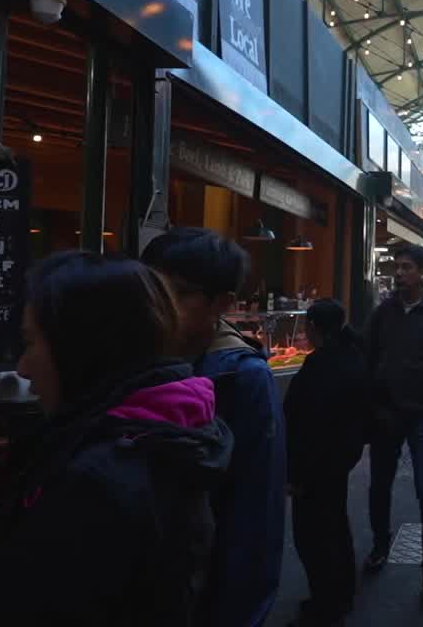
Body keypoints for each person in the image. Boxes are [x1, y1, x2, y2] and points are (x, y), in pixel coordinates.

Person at [0, 251, 233, 626]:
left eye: (32, 342)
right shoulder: (154, 440)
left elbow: (13, 595)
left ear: (82, 353)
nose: (23, 367)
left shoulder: (102, 480)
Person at [142, 227, 285, 627]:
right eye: (152, 289)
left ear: (223, 303)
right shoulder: (136, 352)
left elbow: (255, 515)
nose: (161, 305)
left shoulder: (243, 378)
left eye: (181, 293)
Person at [363, 245, 423, 612]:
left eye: (406, 268)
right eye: (397, 267)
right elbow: (368, 356)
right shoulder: (383, 312)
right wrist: (371, 404)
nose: (399, 273)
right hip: (386, 414)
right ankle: (379, 544)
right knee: (379, 485)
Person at [283, 300, 367, 627]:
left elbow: (303, 421)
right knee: (335, 526)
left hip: (315, 465)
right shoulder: (353, 355)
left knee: (314, 536)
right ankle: (340, 595)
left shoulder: (320, 366)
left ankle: (326, 605)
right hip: (340, 458)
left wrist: (294, 473)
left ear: (314, 328)